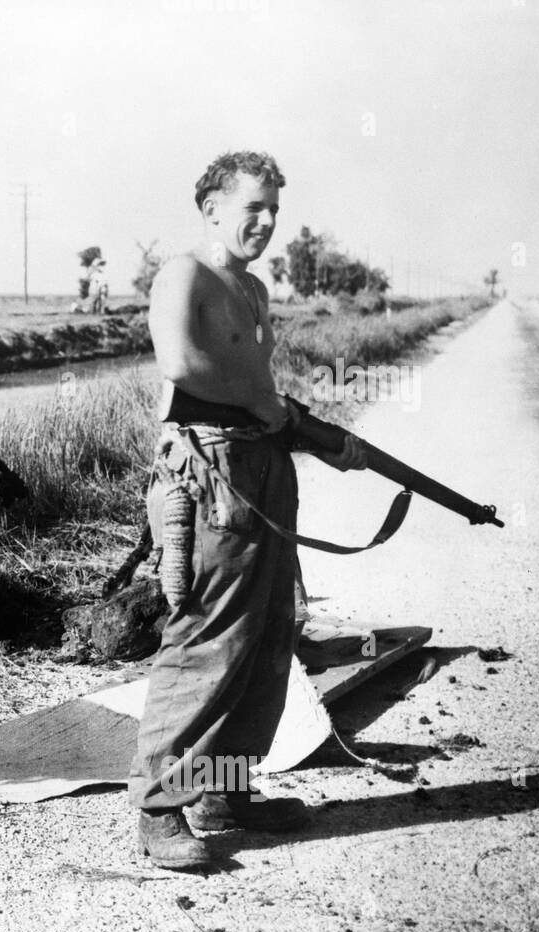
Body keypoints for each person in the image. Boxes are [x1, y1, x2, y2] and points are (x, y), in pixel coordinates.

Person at [129, 151, 368, 871]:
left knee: (268, 633)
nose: (264, 223)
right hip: (212, 472)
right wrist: (265, 406)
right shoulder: (185, 275)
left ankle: (224, 792)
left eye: (273, 211)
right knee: (210, 636)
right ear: (212, 209)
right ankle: (158, 805)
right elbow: (180, 364)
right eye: (252, 208)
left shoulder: (255, 289)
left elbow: (256, 383)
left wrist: (317, 436)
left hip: (265, 469)